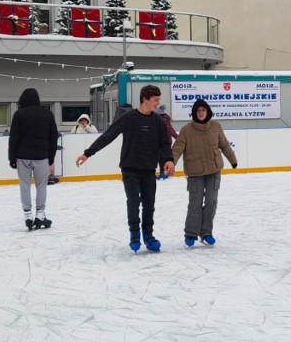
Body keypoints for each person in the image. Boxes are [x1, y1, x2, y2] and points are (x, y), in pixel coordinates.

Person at [76, 85, 175, 252]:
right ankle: (135, 235)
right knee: (134, 202)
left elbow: (164, 143)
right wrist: (87, 153)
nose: (158, 103)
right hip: (130, 169)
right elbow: (109, 135)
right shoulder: (128, 118)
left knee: (149, 204)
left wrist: (169, 160)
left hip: (149, 169)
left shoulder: (157, 120)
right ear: (145, 99)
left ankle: (148, 236)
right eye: (155, 100)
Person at [172, 99, 237, 247]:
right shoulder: (186, 130)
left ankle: (206, 233)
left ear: (207, 112)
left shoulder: (216, 126)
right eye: (198, 111)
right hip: (195, 172)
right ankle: (191, 234)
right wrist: (171, 163)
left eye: (203, 110)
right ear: (194, 113)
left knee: (211, 202)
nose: (201, 113)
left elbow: (224, 144)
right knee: (195, 203)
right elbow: (177, 148)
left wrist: (232, 159)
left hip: (214, 170)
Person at [8, 88, 58, 230]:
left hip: (22, 156)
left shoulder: (19, 114)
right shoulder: (47, 114)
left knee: (24, 184)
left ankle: (28, 215)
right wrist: (51, 157)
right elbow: (53, 137)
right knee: (41, 185)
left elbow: (14, 138)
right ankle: (40, 214)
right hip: (41, 156)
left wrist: (11, 157)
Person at [155, 104, 177, 180]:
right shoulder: (163, 118)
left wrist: (177, 137)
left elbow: (169, 129)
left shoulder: (162, 119)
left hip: (163, 142)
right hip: (162, 142)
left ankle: (163, 174)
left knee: (161, 159)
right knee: (161, 159)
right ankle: (163, 173)